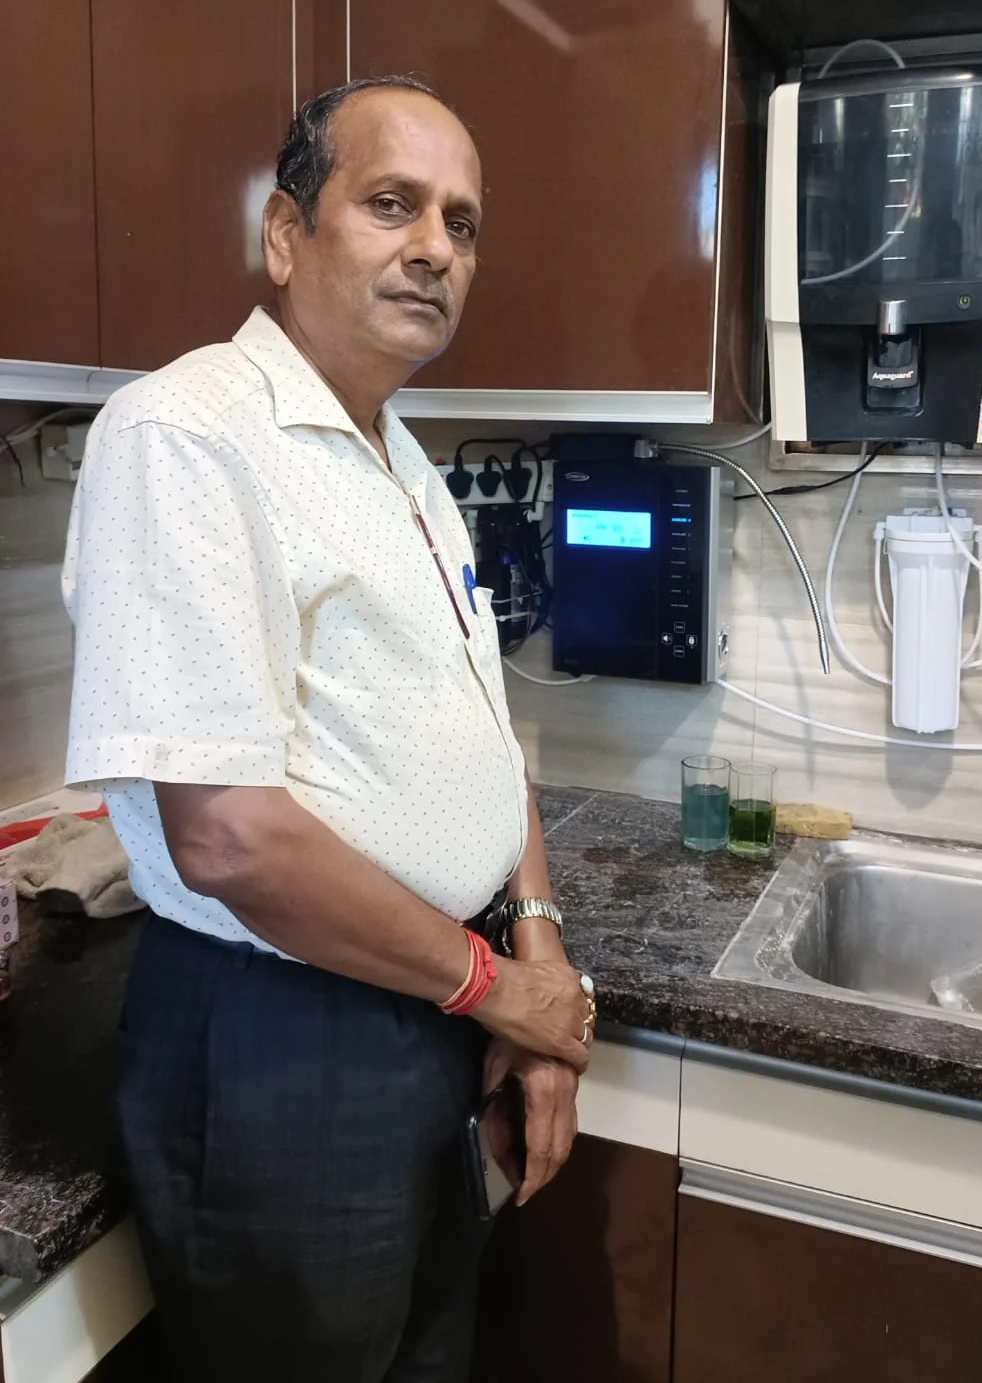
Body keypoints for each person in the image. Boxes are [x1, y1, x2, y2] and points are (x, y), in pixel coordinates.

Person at [62, 76, 593, 1383]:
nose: (435, 249)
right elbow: (230, 840)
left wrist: (533, 946)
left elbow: (483, 727)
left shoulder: (401, 460)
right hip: (285, 1044)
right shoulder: (186, 436)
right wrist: (497, 990)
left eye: (461, 224)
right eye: (393, 205)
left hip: (431, 1003)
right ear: (288, 236)